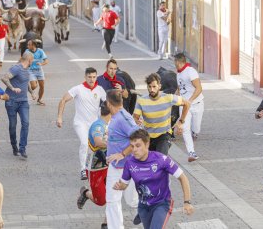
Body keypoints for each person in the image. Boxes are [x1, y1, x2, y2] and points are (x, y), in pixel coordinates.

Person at [113, 129, 194, 229]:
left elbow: (183, 177)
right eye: (132, 146)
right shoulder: (130, 163)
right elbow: (124, 184)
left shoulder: (162, 159)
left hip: (162, 204)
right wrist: (119, 186)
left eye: (138, 146)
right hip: (143, 207)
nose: (134, 150)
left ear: (147, 144)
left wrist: (187, 202)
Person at [57, 67, 107, 180]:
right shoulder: (78, 89)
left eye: (94, 77)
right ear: (85, 77)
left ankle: (96, 167)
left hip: (94, 124)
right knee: (85, 143)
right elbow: (63, 99)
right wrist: (59, 117)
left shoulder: (100, 89)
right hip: (80, 123)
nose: (92, 79)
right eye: (89, 77)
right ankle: (83, 169)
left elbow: (109, 104)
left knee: (97, 146)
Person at [133, 73, 191, 159]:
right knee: (148, 162)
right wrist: (136, 121)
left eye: (154, 86)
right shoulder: (142, 100)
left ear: (159, 86)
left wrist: (181, 121)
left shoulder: (168, 98)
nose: (152, 89)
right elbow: (135, 117)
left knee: (161, 159)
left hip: (164, 135)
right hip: (148, 137)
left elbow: (187, 103)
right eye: (149, 87)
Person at [104, 89, 139, 228]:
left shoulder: (122, 118)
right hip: (119, 166)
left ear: (108, 103)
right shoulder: (117, 116)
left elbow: (138, 136)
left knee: (112, 200)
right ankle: (151, 211)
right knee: (131, 200)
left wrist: (122, 154)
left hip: (122, 167)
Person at [77, 102, 111, 229]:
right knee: (101, 200)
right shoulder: (98, 125)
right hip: (96, 167)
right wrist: (115, 145)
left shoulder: (111, 124)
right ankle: (85, 193)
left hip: (109, 165)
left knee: (112, 194)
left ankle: (106, 222)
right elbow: (98, 141)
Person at [1, 53, 34, 159]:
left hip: (23, 102)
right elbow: (4, 78)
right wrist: (12, 88)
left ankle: (22, 148)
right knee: (12, 125)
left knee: (26, 123)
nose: (32, 62)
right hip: (11, 101)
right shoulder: (16, 68)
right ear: (29, 60)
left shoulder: (26, 70)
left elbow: (26, 82)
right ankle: (14, 146)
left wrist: (32, 92)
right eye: (32, 60)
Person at [174, 53, 204, 160]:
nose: (174, 65)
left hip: (197, 104)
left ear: (179, 62)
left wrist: (190, 100)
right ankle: (192, 152)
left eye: (175, 62)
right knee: (185, 128)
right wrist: (174, 98)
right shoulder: (178, 74)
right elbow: (180, 88)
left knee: (196, 128)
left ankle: (195, 132)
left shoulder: (191, 71)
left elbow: (199, 88)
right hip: (184, 105)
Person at [25, 39, 48, 106]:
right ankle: (31, 91)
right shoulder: (27, 51)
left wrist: (41, 64)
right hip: (31, 70)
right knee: (34, 86)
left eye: (29, 45)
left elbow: (46, 61)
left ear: (33, 45)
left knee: (42, 86)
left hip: (39, 70)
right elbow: (23, 60)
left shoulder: (40, 51)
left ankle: (39, 99)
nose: (27, 46)